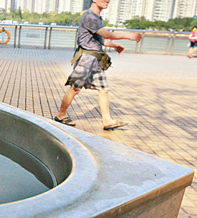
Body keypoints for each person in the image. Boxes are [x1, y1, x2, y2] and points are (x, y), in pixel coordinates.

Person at [54, 0, 141, 130]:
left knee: (103, 90)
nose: (107, 1)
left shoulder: (97, 17)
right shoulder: (89, 16)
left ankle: (107, 121)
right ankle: (61, 115)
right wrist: (127, 35)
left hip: (95, 60)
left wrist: (115, 45)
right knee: (75, 88)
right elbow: (106, 34)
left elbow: (102, 40)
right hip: (86, 60)